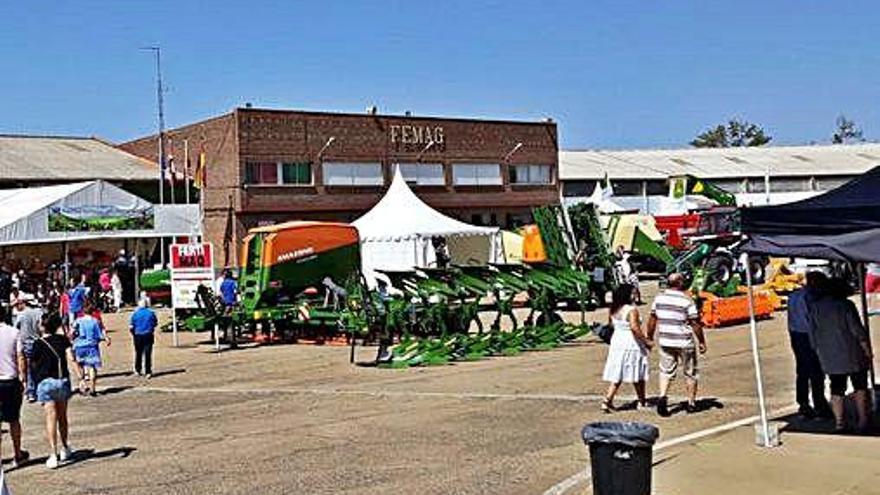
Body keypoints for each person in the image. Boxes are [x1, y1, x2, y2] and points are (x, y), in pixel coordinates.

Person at [809, 278, 873, 433]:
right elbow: (856, 329)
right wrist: (867, 349)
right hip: (852, 353)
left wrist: (818, 350)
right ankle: (863, 420)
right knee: (860, 386)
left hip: (830, 356)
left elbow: (812, 333)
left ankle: (839, 422)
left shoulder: (815, 307)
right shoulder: (846, 305)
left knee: (836, 388)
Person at [647, 272, 706, 416]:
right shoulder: (686, 300)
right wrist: (702, 341)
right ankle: (691, 403)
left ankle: (662, 396)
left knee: (665, 371)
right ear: (679, 283)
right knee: (690, 372)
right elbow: (694, 323)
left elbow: (652, 319)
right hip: (684, 341)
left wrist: (649, 336)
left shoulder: (659, 298)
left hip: (666, 340)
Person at [32, 313, 80, 469]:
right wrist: (81, 376)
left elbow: (33, 365)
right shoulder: (62, 340)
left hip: (45, 382)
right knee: (62, 417)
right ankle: (65, 447)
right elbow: (71, 357)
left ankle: (53, 454)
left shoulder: (38, 344)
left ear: (42, 326)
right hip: (61, 381)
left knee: (50, 419)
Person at [786, 271, 832, 418]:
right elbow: (813, 320)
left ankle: (803, 403)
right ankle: (819, 403)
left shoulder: (793, 296)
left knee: (802, 371)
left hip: (796, 334)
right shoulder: (811, 297)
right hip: (809, 335)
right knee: (816, 372)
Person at [601, 284, 652, 412]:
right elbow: (635, 328)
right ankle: (642, 401)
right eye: (633, 293)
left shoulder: (614, 309)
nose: (635, 295)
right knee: (637, 373)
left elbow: (611, 325)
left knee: (617, 373)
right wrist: (646, 341)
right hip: (631, 343)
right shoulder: (631, 310)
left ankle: (608, 400)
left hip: (617, 342)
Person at [0, 306, 29, 468]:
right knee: (13, 419)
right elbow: (20, 356)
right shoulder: (13, 332)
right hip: (10, 380)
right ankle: (17, 453)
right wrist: (23, 377)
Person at [71, 302, 109, 396]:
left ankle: (82, 384)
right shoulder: (95, 321)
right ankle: (92, 388)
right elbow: (99, 335)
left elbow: (72, 333)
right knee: (92, 367)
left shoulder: (78, 321)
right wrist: (105, 339)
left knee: (80, 365)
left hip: (79, 346)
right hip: (91, 346)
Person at [13, 295, 42, 403]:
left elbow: (15, 327)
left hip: (26, 344)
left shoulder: (22, 315)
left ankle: (31, 392)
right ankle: (38, 389)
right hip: (38, 343)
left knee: (29, 368)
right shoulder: (39, 312)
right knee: (38, 367)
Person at [129, 298, 158, 377]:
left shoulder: (135, 314)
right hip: (148, 334)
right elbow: (155, 323)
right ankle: (148, 371)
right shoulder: (151, 313)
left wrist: (134, 334)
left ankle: (138, 369)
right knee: (148, 353)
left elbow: (131, 326)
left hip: (138, 335)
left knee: (138, 353)